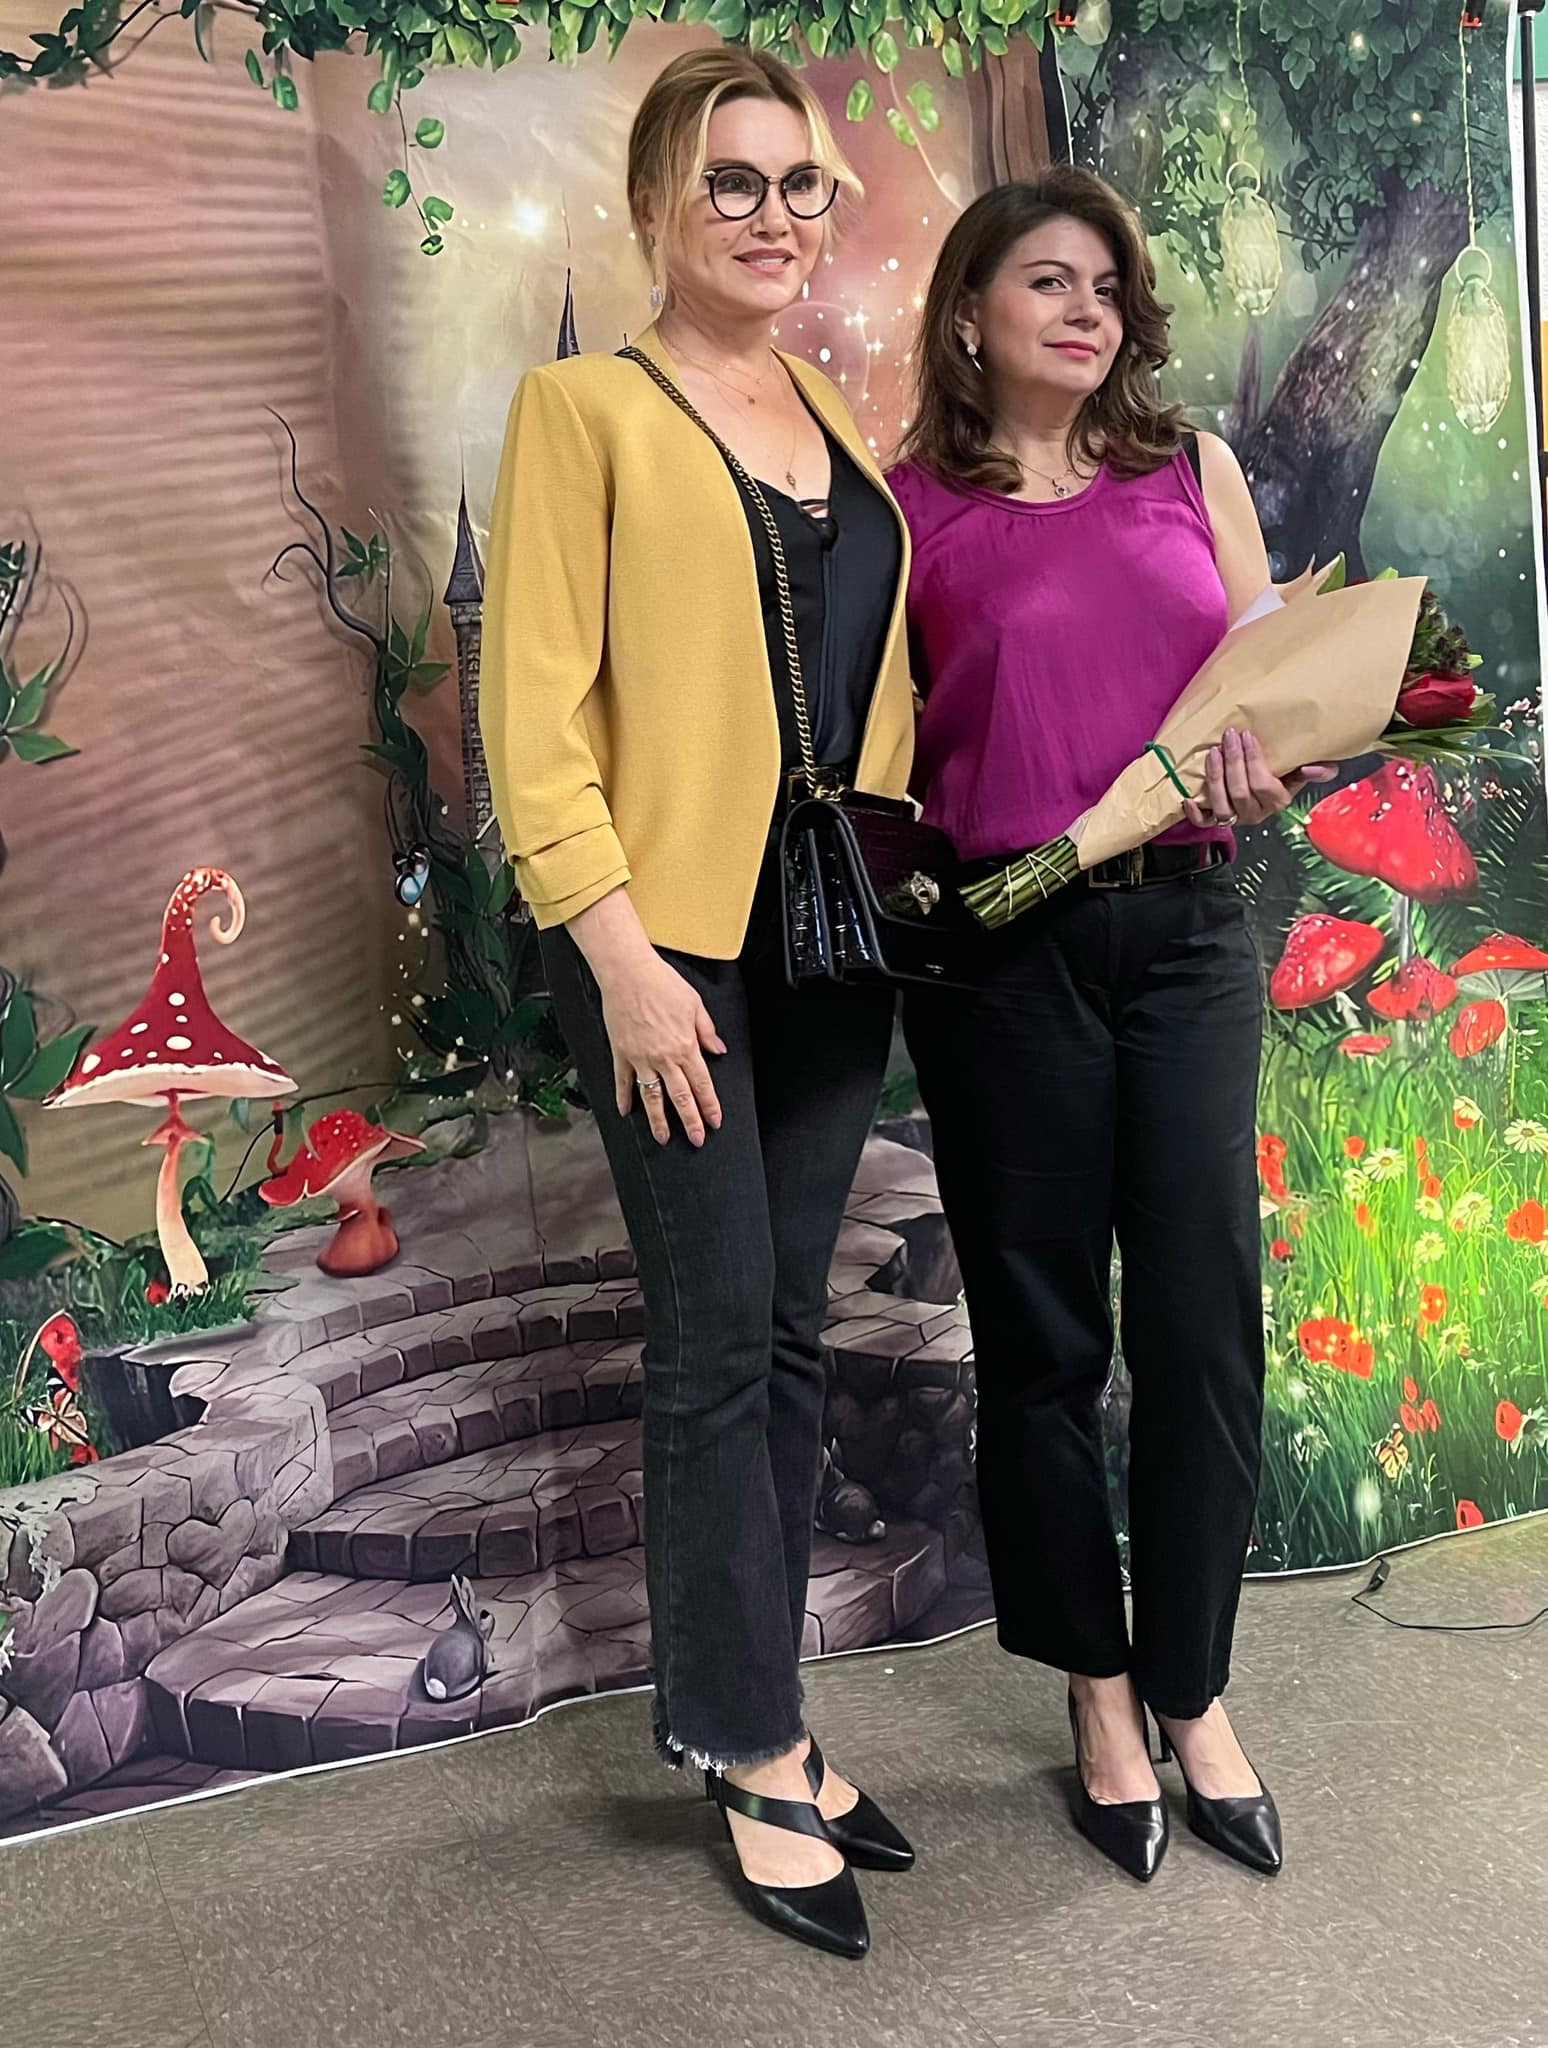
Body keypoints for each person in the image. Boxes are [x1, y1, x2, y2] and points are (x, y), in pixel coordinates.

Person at [480, 47, 917, 1957]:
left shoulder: (835, 414)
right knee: (720, 1337)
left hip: (829, 935)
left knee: (794, 1327)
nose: (772, 215)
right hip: (671, 947)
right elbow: (532, 715)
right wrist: (622, 958)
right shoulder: (584, 407)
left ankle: (774, 1713)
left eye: (799, 183)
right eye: (731, 181)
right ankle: (740, 1739)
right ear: (659, 202)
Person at [890, 167, 1335, 1883]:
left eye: (1105, 287)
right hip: (1006, 960)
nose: (1086, 311)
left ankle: (1194, 1685)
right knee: (1044, 1344)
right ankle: (1096, 1688)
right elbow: (879, 752)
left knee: (1208, 1323)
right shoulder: (906, 513)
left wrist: (1268, 765)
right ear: (970, 313)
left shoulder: (1190, 472)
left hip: (1190, 936)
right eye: (1046, 282)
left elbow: (1267, 698)